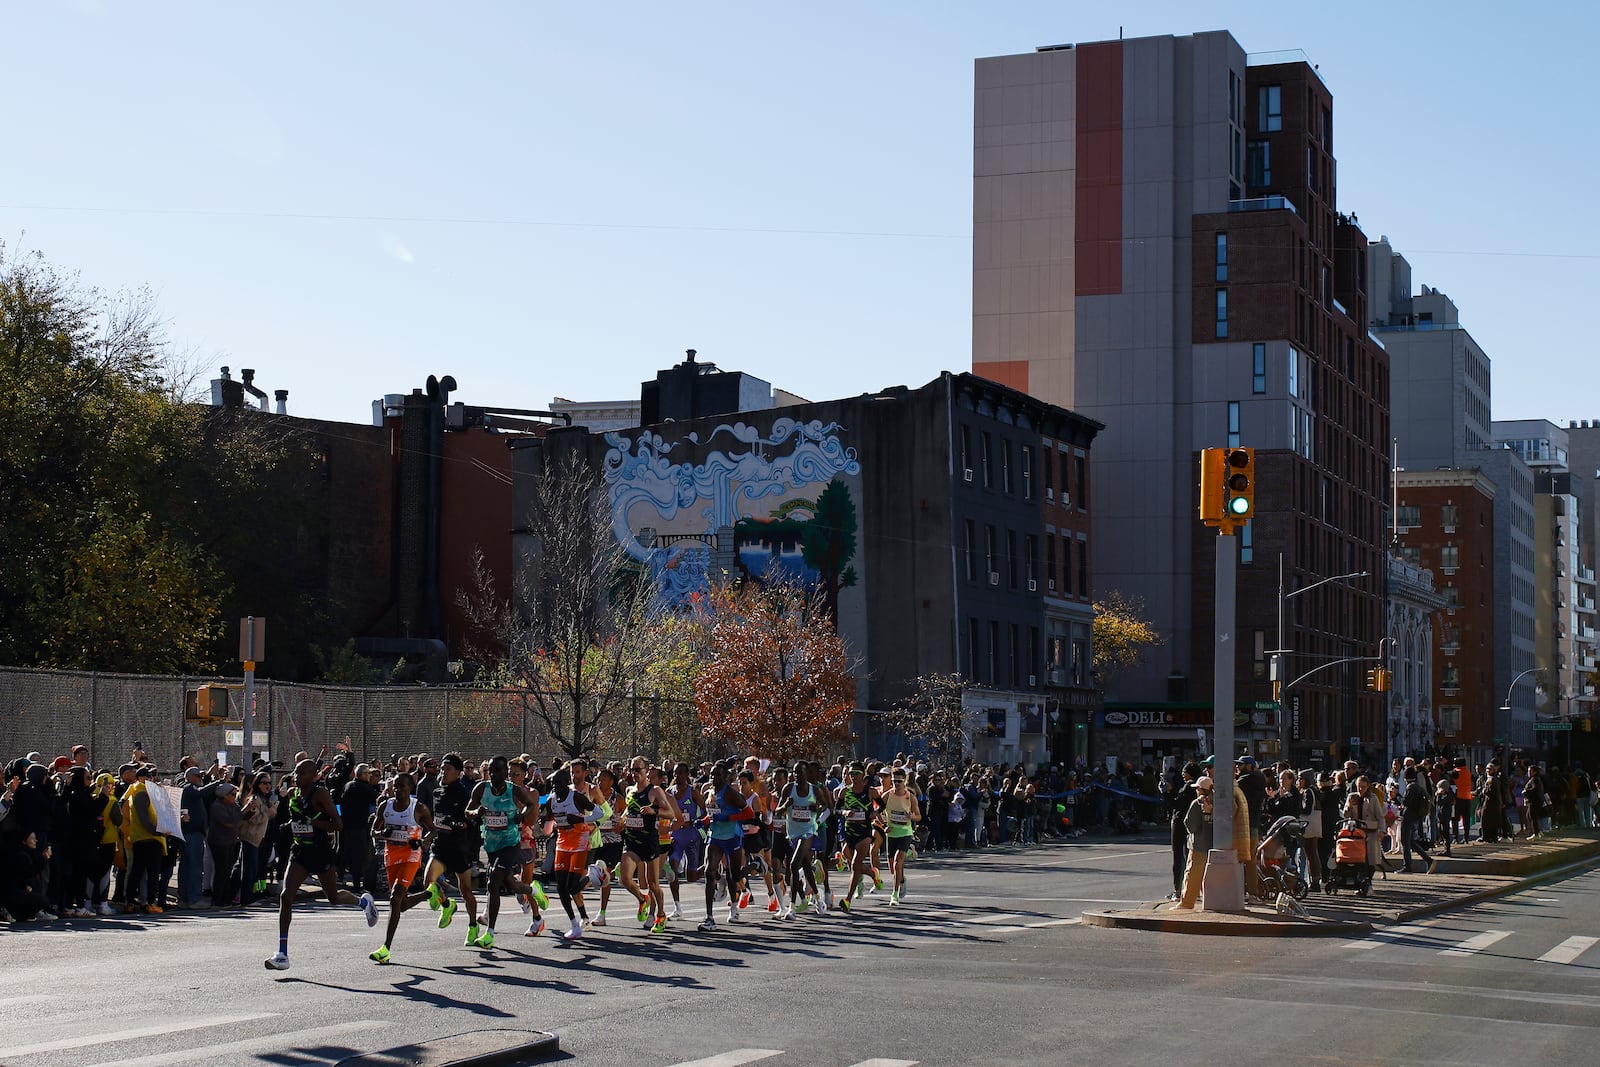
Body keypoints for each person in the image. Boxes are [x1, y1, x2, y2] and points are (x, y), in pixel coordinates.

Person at [264, 760, 378, 971]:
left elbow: (337, 824)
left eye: (301, 773)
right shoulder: (293, 794)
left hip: (320, 851)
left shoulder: (320, 794)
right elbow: (296, 819)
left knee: (333, 897)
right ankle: (282, 954)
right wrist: (290, 826)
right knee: (286, 896)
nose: (296, 776)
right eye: (295, 772)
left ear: (314, 775)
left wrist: (311, 822)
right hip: (300, 851)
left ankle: (363, 903)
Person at [464, 755, 543, 949]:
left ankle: (489, 933)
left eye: (497, 771)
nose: (493, 774)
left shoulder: (513, 790)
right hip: (491, 844)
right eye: (490, 771)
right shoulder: (481, 788)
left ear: (504, 772)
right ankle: (533, 890)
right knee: (511, 883)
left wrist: (521, 816)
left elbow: (531, 804)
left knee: (493, 883)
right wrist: (476, 813)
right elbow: (468, 811)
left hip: (510, 843)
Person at [367, 771, 438, 963]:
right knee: (402, 903)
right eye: (395, 786)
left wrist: (422, 842)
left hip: (410, 855)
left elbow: (433, 830)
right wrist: (383, 832)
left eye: (402, 786)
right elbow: (373, 831)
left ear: (410, 788)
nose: (398, 790)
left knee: (395, 898)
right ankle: (430, 894)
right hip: (391, 855)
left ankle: (386, 948)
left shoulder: (419, 808)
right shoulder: (385, 806)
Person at [421, 753, 481, 943]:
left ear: (458, 772)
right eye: (442, 769)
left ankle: (473, 925)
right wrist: (429, 835)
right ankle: (447, 905)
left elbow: (470, 823)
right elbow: (437, 821)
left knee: (466, 891)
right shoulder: (437, 792)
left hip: (459, 848)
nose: (443, 772)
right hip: (440, 846)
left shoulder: (463, 794)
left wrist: (455, 824)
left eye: (448, 769)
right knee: (428, 882)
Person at [617, 757, 672, 934]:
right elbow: (629, 809)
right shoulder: (629, 790)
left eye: (638, 770)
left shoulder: (654, 791)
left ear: (646, 770)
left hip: (649, 841)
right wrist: (622, 820)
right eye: (632, 770)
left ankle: (661, 915)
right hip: (631, 841)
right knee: (625, 879)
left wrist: (653, 811)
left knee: (653, 883)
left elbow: (670, 813)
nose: (635, 773)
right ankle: (642, 899)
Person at [699, 763, 749, 931]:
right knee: (709, 871)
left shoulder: (731, 793)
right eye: (712, 775)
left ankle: (734, 908)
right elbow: (712, 814)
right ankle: (709, 917)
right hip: (715, 836)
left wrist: (728, 818)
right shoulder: (709, 792)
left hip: (732, 836)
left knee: (733, 875)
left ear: (726, 777)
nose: (714, 779)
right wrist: (704, 821)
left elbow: (749, 813)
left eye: (718, 775)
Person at [834, 764, 878, 913]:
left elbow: (882, 805)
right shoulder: (844, 791)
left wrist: (874, 813)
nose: (852, 776)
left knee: (855, 864)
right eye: (850, 773)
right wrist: (845, 812)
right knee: (852, 863)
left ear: (862, 774)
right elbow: (836, 810)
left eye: (856, 773)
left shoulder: (870, 791)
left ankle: (847, 899)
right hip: (849, 831)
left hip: (864, 832)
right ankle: (873, 874)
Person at [880, 767, 921, 905]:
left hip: (905, 832)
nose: (896, 784)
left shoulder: (910, 797)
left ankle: (894, 894)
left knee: (898, 862)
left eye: (898, 781)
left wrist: (912, 816)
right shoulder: (887, 796)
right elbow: (876, 812)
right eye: (893, 781)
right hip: (892, 832)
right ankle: (902, 879)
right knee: (892, 867)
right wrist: (884, 825)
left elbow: (919, 816)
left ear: (904, 781)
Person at [1399, 768, 1434, 874]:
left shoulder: (1410, 787)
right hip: (1415, 817)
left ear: (1406, 777)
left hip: (1408, 816)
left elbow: (1406, 802)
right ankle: (1428, 860)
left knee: (1405, 841)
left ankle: (1407, 866)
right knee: (1411, 841)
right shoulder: (1418, 787)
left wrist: (1397, 796)